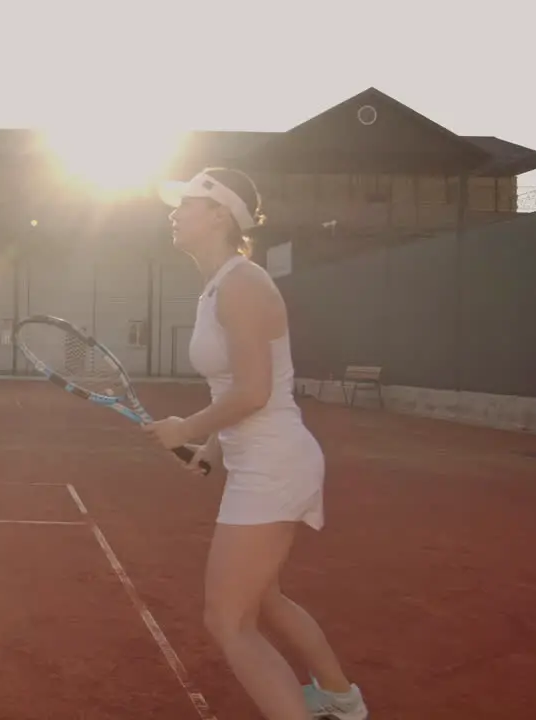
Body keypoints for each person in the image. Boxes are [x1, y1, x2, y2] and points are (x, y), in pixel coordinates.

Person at [142, 168, 369, 720]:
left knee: (228, 619)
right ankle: (342, 700)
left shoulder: (243, 285)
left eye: (187, 203)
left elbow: (254, 391)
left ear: (220, 214)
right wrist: (211, 451)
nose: (175, 212)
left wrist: (186, 428)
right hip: (259, 460)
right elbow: (234, 389)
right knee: (262, 597)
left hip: (274, 464)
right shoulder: (219, 285)